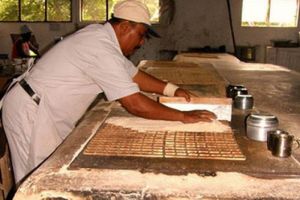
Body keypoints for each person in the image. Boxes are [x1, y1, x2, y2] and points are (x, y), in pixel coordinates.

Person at [2, 0, 216, 184]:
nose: (141, 42)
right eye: (140, 35)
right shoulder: (99, 46)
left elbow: (133, 76)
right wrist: (182, 116)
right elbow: (133, 103)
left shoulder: (102, 39)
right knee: (37, 181)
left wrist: (172, 89)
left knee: (48, 174)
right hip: (30, 110)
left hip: (41, 108)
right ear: (124, 27)